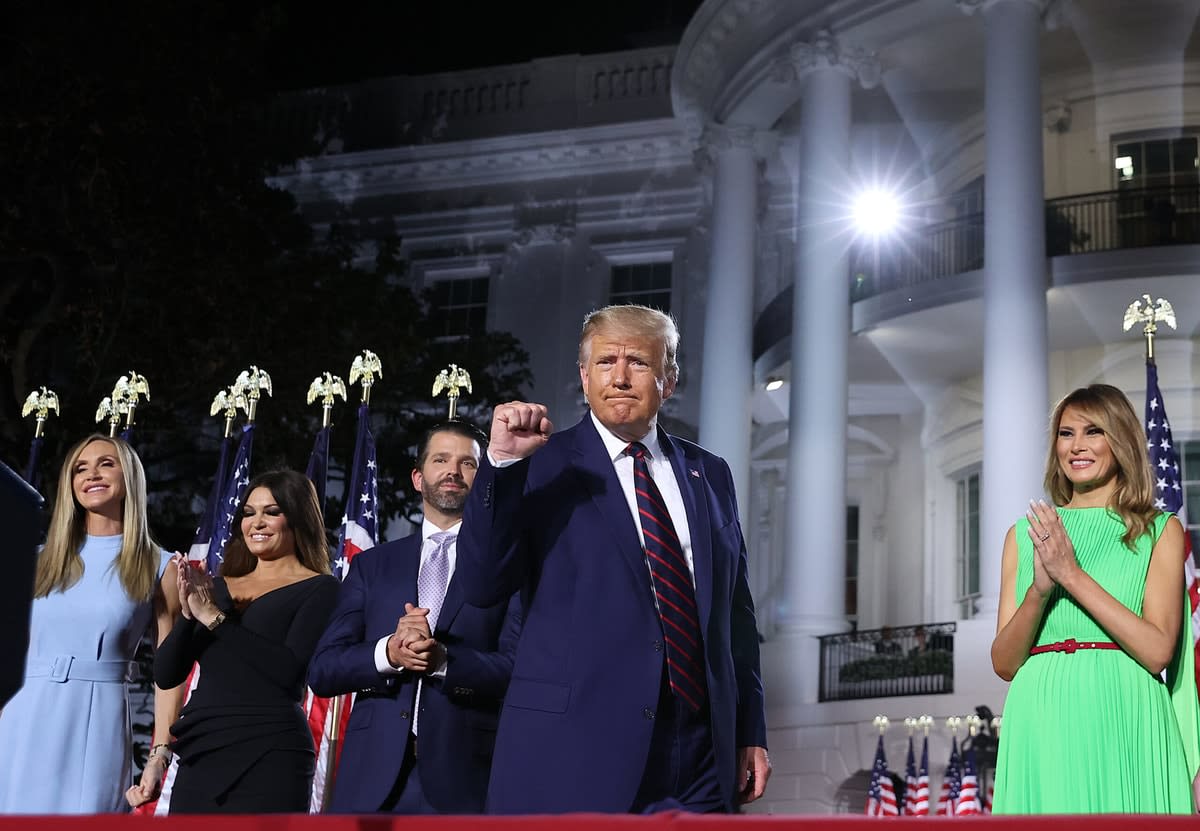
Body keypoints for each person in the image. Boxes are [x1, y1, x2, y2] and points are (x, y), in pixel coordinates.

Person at [456, 303, 770, 814]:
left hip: (700, 753)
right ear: (584, 376)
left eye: (639, 363)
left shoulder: (710, 474)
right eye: (605, 363)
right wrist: (502, 466)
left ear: (668, 379)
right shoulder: (537, 464)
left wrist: (750, 730)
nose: (620, 378)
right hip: (574, 744)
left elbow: (736, 616)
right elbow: (482, 584)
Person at [990, 384, 1200, 813]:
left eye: (1093, 432)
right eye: (1066, 434)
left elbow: (1158, 650)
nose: (1077, 446)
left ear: (1119, 440)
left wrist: (1070, 574)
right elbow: (1005, 663)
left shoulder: (1159, 531)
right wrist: (1039, 590)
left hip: (1125, 715)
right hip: (1041, 717)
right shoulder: (1023, 535)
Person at [308, 422, 521, 813]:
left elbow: (516, 670)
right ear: (418, 477)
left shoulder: (508, 567)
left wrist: (444, 663)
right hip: (372, 782)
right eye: (440, 460)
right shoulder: (372, 565)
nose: (453, 472)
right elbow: (323, 670)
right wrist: (388, 653)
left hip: (466, 781)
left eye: (468, 463)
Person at [0, 434, 184, 813]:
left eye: (106, 463)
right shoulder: (34, 561)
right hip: (20, 717)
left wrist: (159, 755)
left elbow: (171, 674)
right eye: (80, 468)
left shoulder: (160, 566)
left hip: (98, 719)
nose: (92, 475)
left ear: (129, 476)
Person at [154, 470, 339, 813]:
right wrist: (189, 614)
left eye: (272, 511)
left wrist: (216, 620)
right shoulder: (218, 588)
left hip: (272, 753)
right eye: (249, 513)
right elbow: (166, 674)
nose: (257, 522)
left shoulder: (321, 588)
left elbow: (288, 672)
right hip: (203, 751)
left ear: (297, 517)